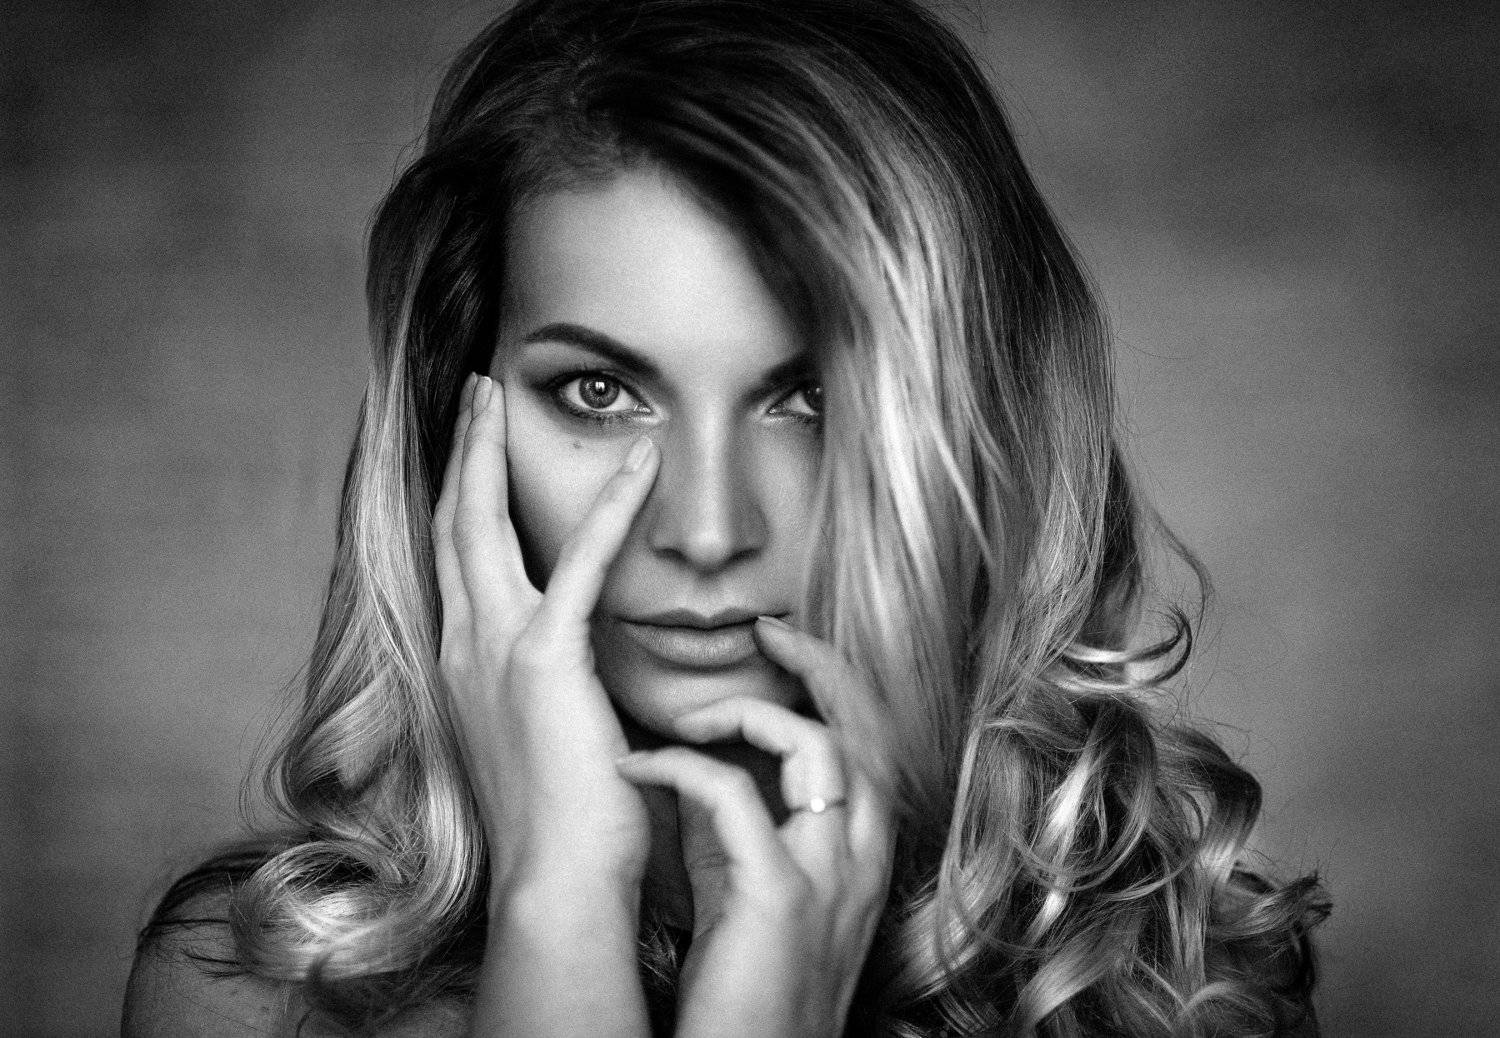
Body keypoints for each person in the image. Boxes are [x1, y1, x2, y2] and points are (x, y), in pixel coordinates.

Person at [123, 0, 1329, 1034]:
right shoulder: (260, 990)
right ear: (458, 414)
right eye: (600, 393)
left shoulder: (1163, 983)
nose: (706, 532)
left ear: (976, 428)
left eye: (810, 400)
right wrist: (558, 905)